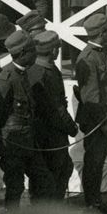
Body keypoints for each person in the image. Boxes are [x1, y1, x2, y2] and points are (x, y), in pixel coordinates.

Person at [0, 30, 52, 207]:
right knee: (15, 187)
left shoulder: (24, 74)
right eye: (33, 50)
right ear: (23, 53)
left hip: (28, 141)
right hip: (13, 145)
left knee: (44, 180)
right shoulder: (6, 79)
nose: (36, 54)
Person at [26, 31, 78, 201]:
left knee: (57, 171)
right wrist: (71, 127)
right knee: (56, 173)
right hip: (50, 134)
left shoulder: (42, 69)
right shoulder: (45, 73)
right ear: (53, 50)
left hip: (46, 133)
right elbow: (56, 108)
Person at [74, 14, 107, 212]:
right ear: (101, 33)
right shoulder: (88, 58)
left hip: (104, 117)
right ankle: (92, 202)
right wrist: (104, 123)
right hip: (96, 121)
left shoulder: (98, 53)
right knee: (93, 161)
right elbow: (91, 97)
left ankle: (96, 200)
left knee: (98, 161)